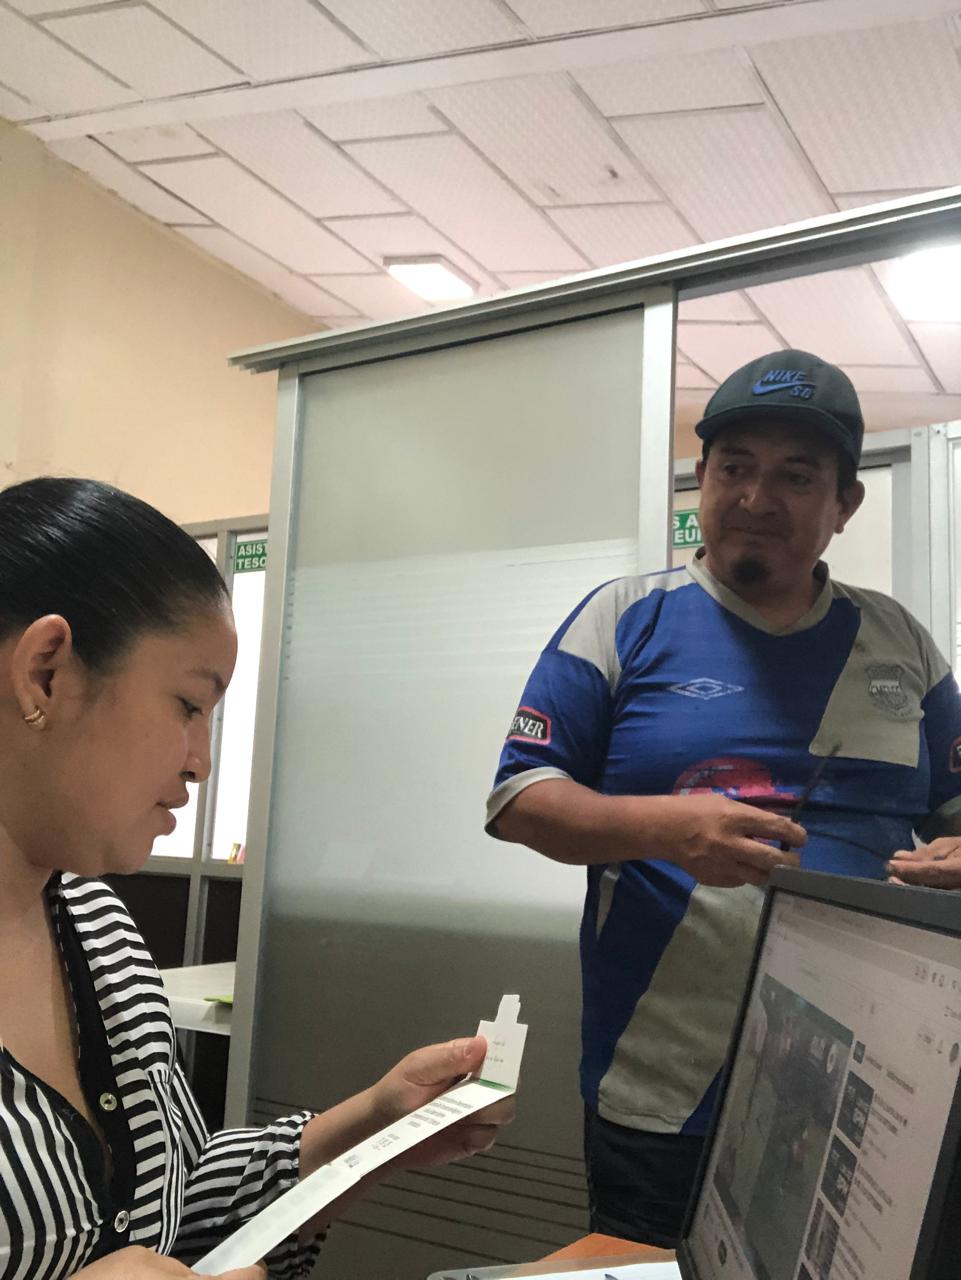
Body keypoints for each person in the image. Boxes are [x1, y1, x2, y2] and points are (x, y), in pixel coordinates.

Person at [484, 350, 961, 1247]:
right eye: (734, 467)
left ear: (844, 504)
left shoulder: (900, 642)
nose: (755, 497)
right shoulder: (624, 617)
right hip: (664, 1077)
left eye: (795, 476)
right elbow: (520, 797)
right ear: (699, 480)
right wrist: (667, 828)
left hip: (869, 1079)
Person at [0, 477, 512, 1280]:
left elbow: (170, 1208)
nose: (200, 763)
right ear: (46, 673)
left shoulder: (99, 929)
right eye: (187, 705)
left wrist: (374, 1124)